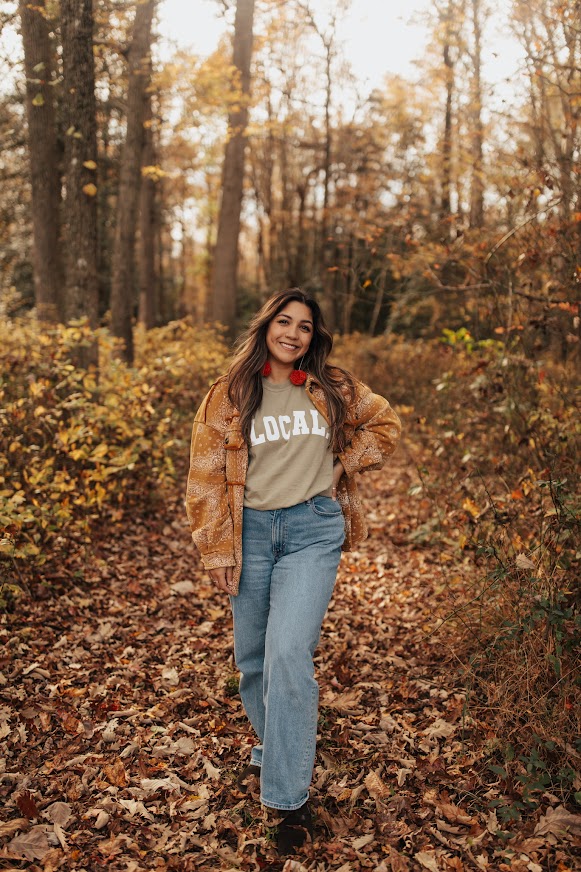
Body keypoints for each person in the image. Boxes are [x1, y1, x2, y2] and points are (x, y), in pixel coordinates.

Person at [185, 288, 401, 856]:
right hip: (252, 534)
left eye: (305, 326)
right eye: (285, 322)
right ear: (267, 327)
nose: (293, 334)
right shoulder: (230, 393)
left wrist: (342, 463)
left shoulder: (333, 387)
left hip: (312, 530)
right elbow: (204, 477)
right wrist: (217, 550)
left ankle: (286, 800)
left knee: (287, 654)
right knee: (253, 661)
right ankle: (277, 746)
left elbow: (384, 426)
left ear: (313, 337)